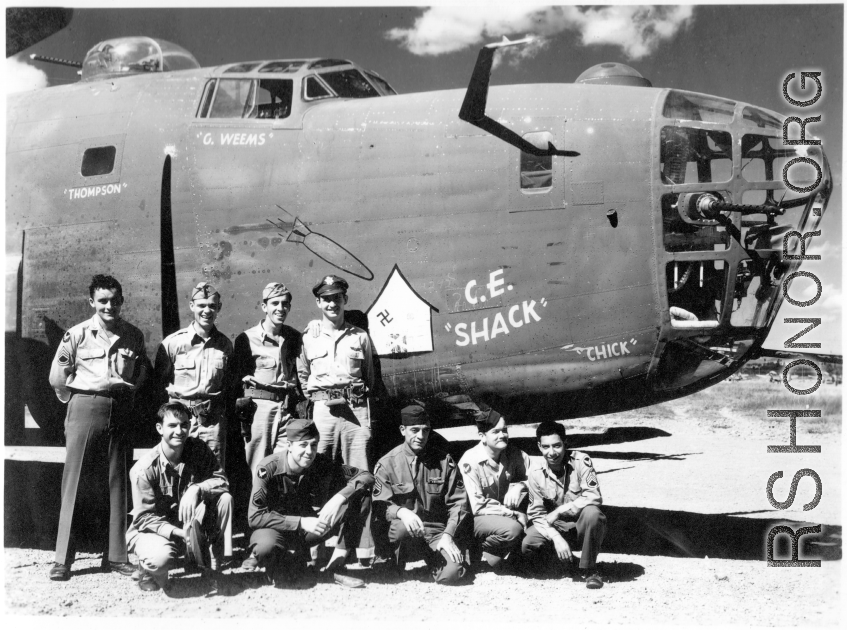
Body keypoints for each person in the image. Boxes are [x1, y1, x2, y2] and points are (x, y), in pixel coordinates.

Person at [47, 274, 147, 581]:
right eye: (102, 300)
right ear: (92, 302)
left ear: (122, 301)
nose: (109, 306)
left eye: (115, 300)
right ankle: (63, 560)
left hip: (119, 410)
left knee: (118, 481)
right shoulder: (76, 334)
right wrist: (79, 401)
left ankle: (116, 556)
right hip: (85, 408)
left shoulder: (133, 335)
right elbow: (57, 377)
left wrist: (128, 392)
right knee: (74, 481)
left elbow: (141, 371)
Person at [245, 418, 374, 589]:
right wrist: (301, 522)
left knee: (361, 494)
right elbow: (254, 517)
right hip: (277, 532)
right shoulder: (268, 468)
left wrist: (339, 498)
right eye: (303, 445)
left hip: (311, 531)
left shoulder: (321, 463)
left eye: (314, 445)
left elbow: (366, 476)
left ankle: (335, 566)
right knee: (266, 549)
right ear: (289, 445)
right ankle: (284, 566)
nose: (309, 451)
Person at [128, 402, 233, 593]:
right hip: (156, 530)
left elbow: (222, 480)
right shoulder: (144, 469)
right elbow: (144, 518)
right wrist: (179, 534)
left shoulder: (198, 449)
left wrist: (197, 489)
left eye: (184, 425)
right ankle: (146, 568)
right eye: (172, 425)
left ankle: (211, 566)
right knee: (160, 560)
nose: (179, 431)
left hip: (189, 525)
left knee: (225, 499)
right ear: (159, 428)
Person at [372, 404, 470, 584]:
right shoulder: (387, 464)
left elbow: (459, 503)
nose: (421, 436)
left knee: (453, 574)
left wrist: (448, 535)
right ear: (403, 430)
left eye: (425, 430)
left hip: (435, 531)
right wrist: (401, 512)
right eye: (414, 430)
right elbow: (380, 505)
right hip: (404, 530)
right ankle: (393, 561)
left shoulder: (444, 462)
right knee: (400, 532)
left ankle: (432, 562)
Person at [296, 274, 375, 472]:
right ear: (318, 302)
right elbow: (303, 376)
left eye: (337, 298)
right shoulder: (308, 338)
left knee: (359, 469)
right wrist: (320, 399)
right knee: (319, 467)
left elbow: (369, 376)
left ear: (345, 300)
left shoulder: (360, 336)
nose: (332, 304)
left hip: (355, 410)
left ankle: (360, 503)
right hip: (324, 411)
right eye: (327, 299)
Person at [154, 281, 233, 468]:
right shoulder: (173, 344)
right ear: (192, 306)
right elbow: (158, 385)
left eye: (212, 306)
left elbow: (228, 386)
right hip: (180, 422)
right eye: (202, 305)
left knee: (213, 475)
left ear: (219, 308)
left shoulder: (225, 345)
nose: (207, 311)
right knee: (178, 472)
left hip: (212, 424)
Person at [522, 420, 606, 589]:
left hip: (580, 523)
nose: (552, 452)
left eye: (557, 446)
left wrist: (561, 509)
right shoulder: (536, 474)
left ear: (565, 443)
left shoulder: (582, 461)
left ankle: (590, 570)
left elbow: (594, 495)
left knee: (593, 514)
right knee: (528, 543)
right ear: (539, 446)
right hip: (558, 527)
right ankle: (568, 562)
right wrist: (556, 537)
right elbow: (536, 514)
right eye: (546, 447)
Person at [232, 282, 303, 472]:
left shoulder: (295, 338)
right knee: (258, 468)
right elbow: (237, 380)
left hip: (286, 410)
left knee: (285, 468)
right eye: (275, 303)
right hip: (258, 412)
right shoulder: (246, 339)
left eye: (285, 304)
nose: (280, 308)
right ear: (264, 307)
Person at [458, 406, 532, 572]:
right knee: (514, 529)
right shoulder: (470, 462)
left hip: (499, 516)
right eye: (496, 431)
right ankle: (473, 545)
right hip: (475, 519)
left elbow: (538, 479)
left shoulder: (515, 454)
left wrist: (521, 486)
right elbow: (477, 506)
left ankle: (503, 552)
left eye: (505, 430)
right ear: (482, 436)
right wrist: (513, 514)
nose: (503, 435)